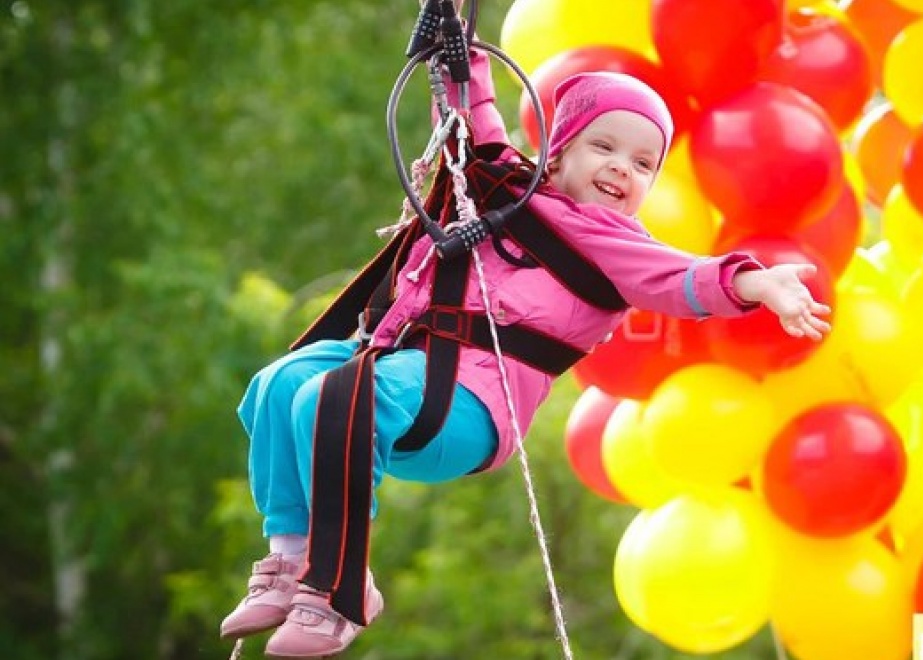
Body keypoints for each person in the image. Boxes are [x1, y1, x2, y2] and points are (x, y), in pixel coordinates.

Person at [219, 15, 832, 659]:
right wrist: (456, 42)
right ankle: (290, 559)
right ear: (559, 151)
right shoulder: (503, 188)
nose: (623, 168)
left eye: (642, 162)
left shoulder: (619, 247)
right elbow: (473, 115)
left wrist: (755, 284)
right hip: (406, 368)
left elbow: (682, 277)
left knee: (335, 396)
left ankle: (341, 591)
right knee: (280, 383)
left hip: (461, 409)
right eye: (605, 148)